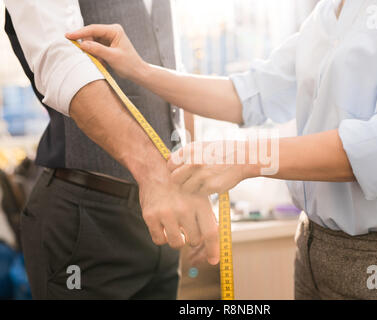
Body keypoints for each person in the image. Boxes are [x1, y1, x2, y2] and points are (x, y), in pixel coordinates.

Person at [67, 0, 377, 300]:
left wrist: (247, 158)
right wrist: (140, 70)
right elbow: (248, 94)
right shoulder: (326, 15)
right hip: (314, 248)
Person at [4, 0, 219, 300]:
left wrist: (190, 185)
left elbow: (171, 72)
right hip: (85, 224)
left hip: (157, 221)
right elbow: (61, 61)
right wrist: (155, 175)